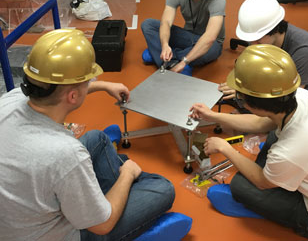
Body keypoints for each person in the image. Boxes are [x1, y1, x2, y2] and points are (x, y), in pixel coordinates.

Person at [0, 29, 177, 241]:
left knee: (98, 139)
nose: (91, 82)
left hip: (19, 218)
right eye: (88, 81)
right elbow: (102, 226)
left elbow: (60, 90)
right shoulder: (65, 152)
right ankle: (115, 192)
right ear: (73, 95)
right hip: (66, 234)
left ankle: (100, 195)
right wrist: (127, 174)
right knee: (162, 188)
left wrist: (103, 86)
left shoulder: (10, 99)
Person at [190, 44, 308, 241]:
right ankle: (280, 176)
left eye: (240, 98)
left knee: (240, 185)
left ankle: (275, 209)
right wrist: (213, 116)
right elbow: (260, 121)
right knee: (274, 133)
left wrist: (225, 148)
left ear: (251, 104)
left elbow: (261, 182)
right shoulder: (301, 97)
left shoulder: (292, 148)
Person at [219, 0, 308, 112]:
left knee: (286, 118)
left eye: (258, 39)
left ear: (274, 29)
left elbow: (292, 96)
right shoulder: (266, 39)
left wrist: (245, 93)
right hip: (285, 81)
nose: (253, 44)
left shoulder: (304, 50)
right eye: (250, 39)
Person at [141, 0, 226, 74]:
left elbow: (210, 37)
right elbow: (166, 22)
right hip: (188, 36)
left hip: (210, 43)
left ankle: (164, 57)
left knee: (212, 48)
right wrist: (165, 44)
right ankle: (168, 55)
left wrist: (184, 62)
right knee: (148, 24)